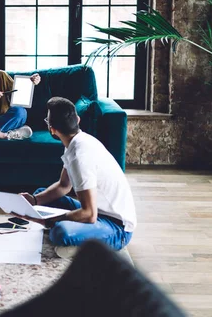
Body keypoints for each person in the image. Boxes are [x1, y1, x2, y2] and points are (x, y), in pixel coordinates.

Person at [18, 97, 137, 259]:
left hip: (118, 228)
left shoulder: (80, 156)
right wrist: (34, 200)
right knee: (41, 195)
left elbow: (89, 214)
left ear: (52, 129)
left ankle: (80, 247)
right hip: (99, 212)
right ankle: (72, 233)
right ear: (77, 120)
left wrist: (47, 221)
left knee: (60, 231)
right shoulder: (77, 142)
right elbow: (63, 186)